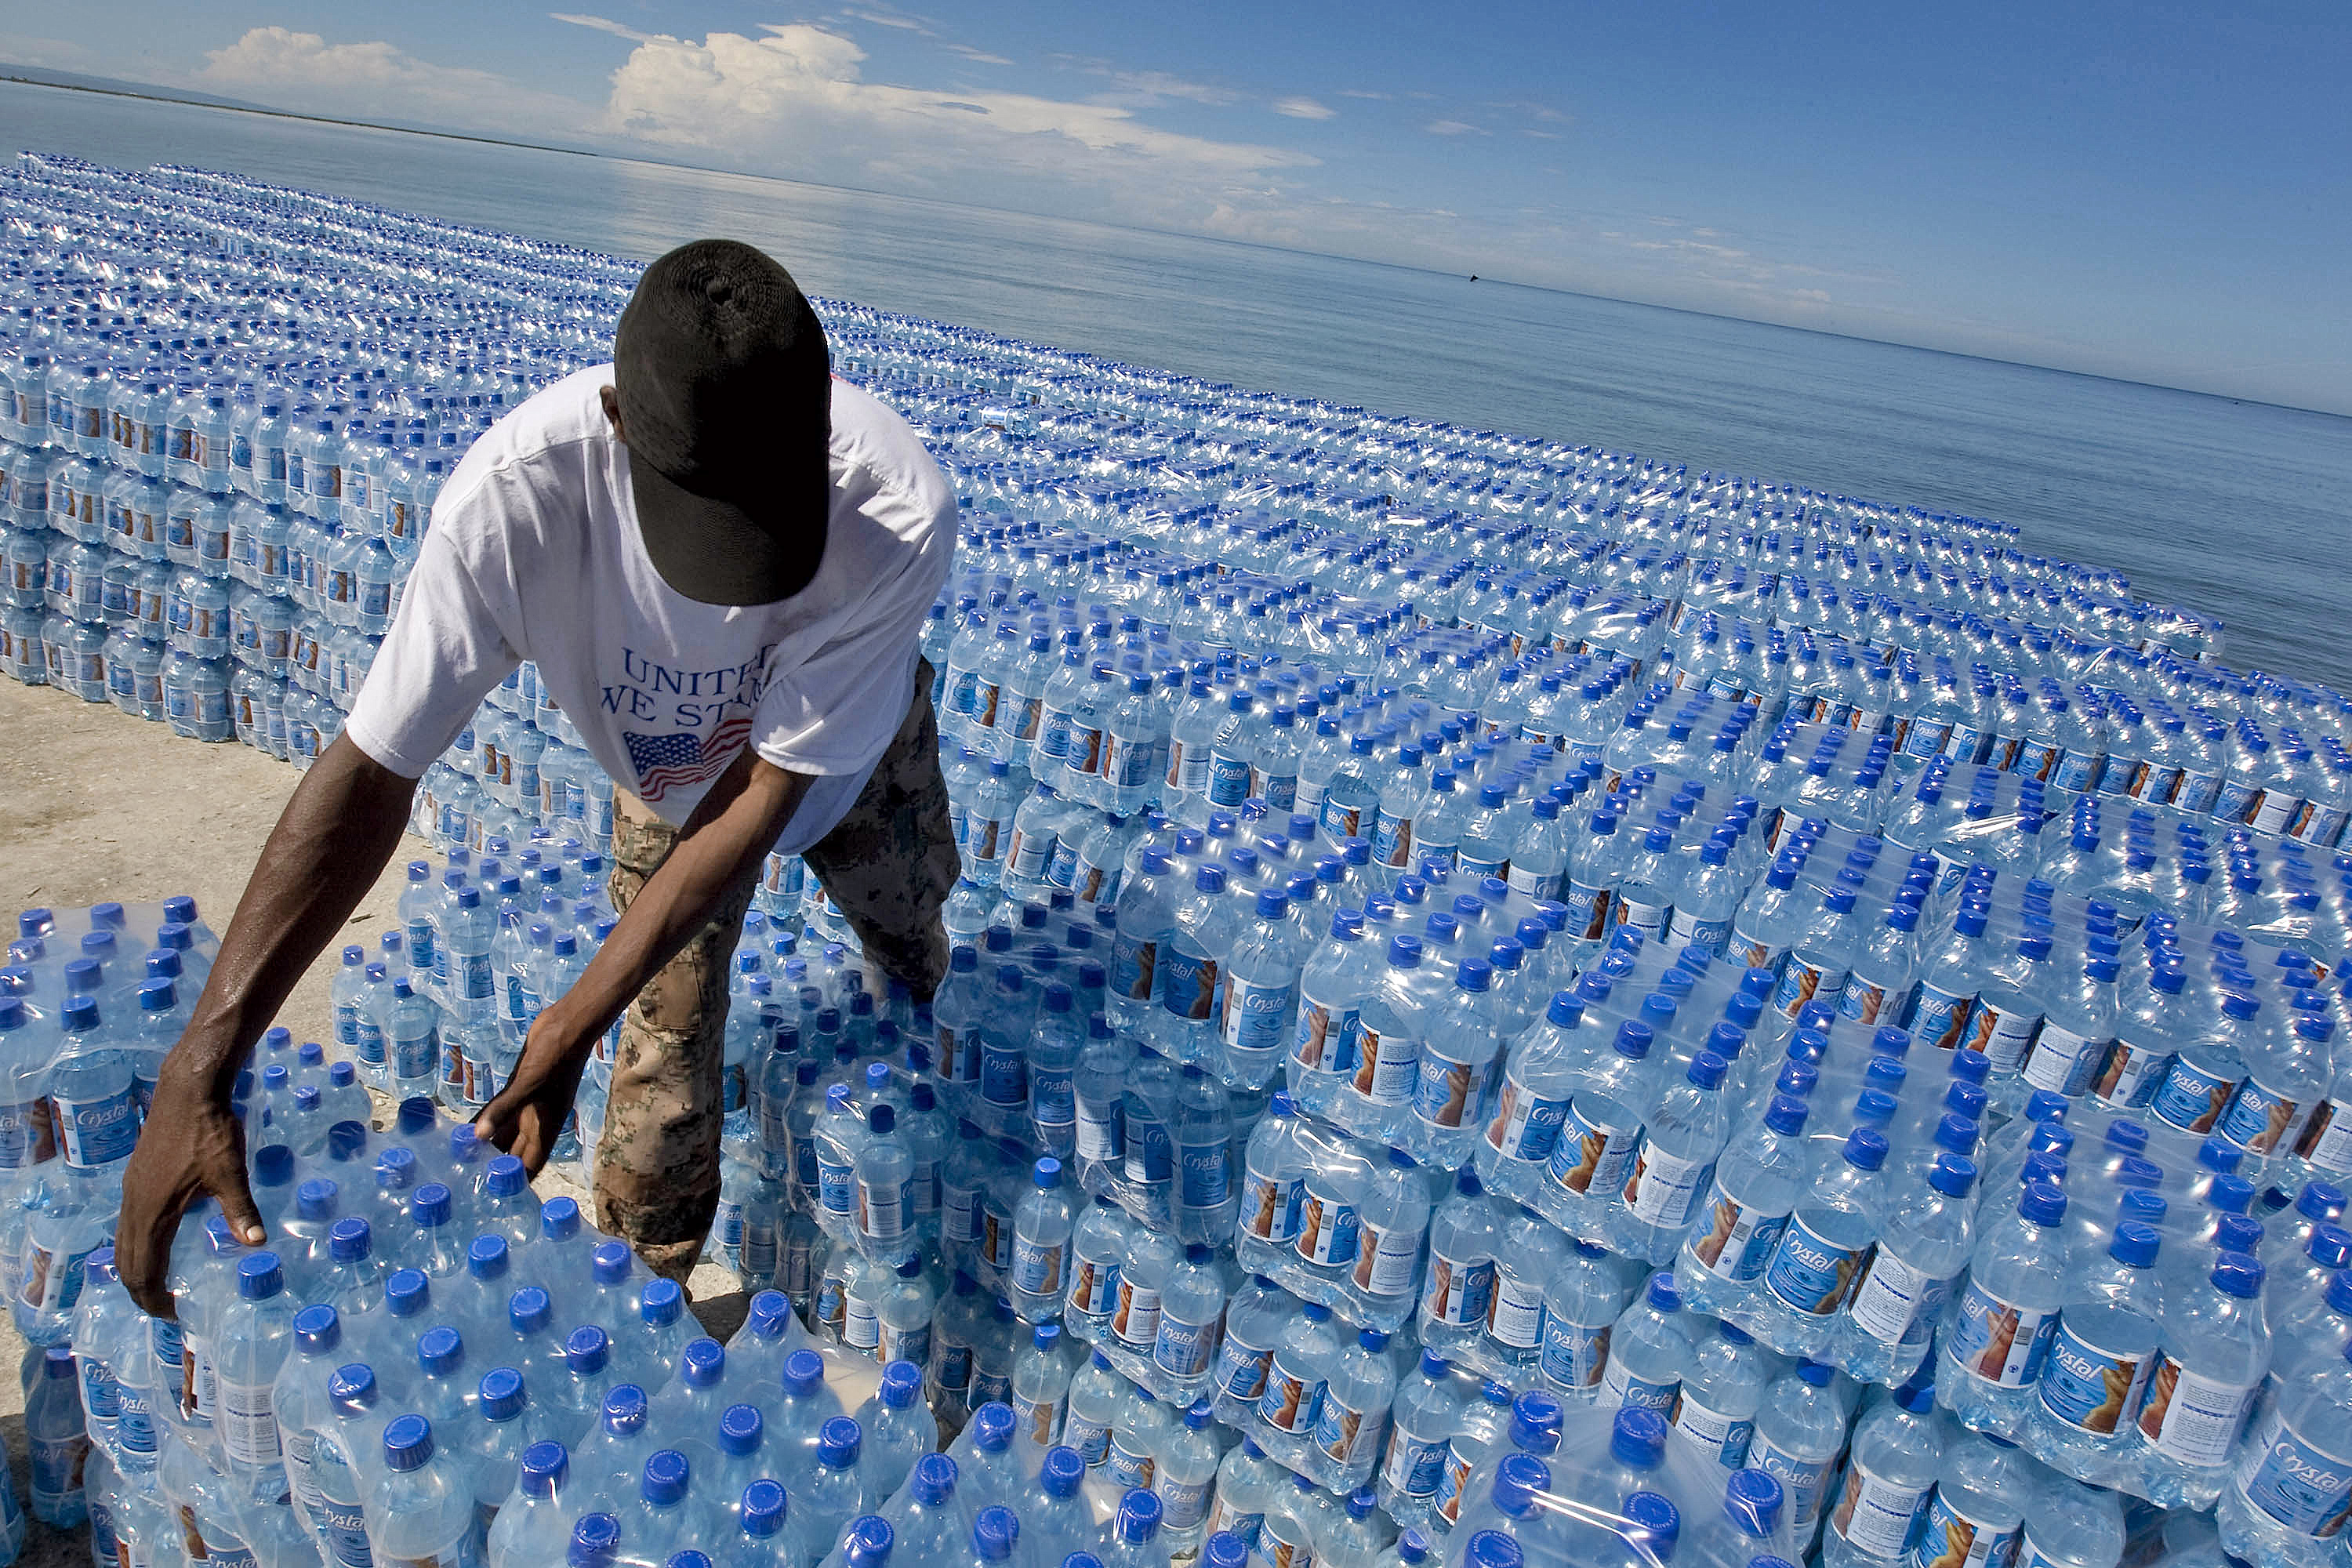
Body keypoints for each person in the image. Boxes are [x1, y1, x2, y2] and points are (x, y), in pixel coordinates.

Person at [114, 239, 960, 1312]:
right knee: (661, 1063)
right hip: (672, 779)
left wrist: (567, 1020)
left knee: (909, 928)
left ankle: (929, 1053)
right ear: (617, 424)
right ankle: (644, 1304)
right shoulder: (515, 498)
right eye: (709, 522)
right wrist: (206, 1056)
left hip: (853, 757)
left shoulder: (895, 508)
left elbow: (767, 793)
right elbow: (374, 768)